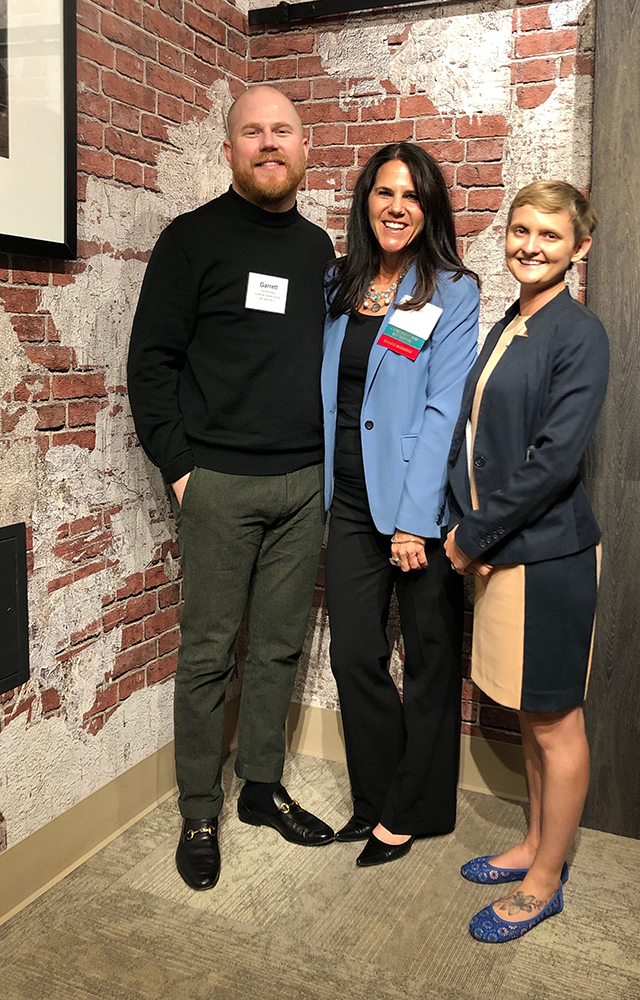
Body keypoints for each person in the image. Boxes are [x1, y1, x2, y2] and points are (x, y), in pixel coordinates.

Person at [127, 85, 337, 892]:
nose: (269, 143)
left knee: (280, 644)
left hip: (301, 485)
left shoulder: (320, 251)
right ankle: (198, 810)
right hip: (217, 485)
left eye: (282, 129)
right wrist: (183, 471)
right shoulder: (191, 241)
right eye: (252, 131)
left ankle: (259, 787)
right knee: (209, 653)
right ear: (228, 151)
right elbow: (151, 366)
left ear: (303, 146)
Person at [444, 181, 609, 941]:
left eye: (549, 235)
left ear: (578, 249)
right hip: (507, 551)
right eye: (519, 231)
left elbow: (550, 463)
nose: (529, 246)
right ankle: (537, 844)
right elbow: (477, 434)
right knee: (530, 714)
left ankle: (546, 880)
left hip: (548, 556)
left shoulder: (579, 332)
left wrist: (472, 537)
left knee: (554, 720)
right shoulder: (514, 320)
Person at [321, 142, 480, 867]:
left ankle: (413, 810)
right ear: (366, 202)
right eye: (384, 193)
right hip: (348, 500)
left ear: (430, 209)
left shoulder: (452, 289)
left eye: (412, 196)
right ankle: (377, 794)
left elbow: (444, 410)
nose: (396, 207)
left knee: (428, 658)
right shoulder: (340, 282)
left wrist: (417, 519)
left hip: (418, 504)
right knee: (355, 650)